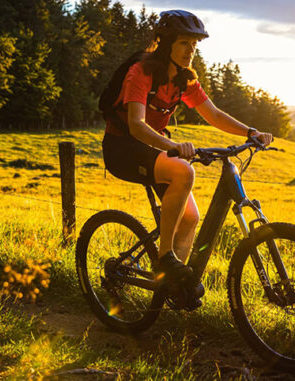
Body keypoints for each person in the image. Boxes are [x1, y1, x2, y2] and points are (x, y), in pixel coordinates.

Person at [102, 10, 273, 296]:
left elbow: (214, 114)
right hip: (123, 148)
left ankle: (173, 288)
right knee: (185, 170)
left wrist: (250, 132)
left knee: (190, 218)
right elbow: (135, 125)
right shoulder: (142, 72)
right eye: (184, 43)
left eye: (194, 45)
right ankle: (165, 256)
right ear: (167, 43)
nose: (190, 51)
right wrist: (173, 147)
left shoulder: (184, 80)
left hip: (153, 150)